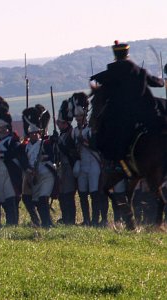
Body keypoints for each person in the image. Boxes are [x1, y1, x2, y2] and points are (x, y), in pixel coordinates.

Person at [90, 40, 165, 168]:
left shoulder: (110, 73)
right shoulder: (141, 72)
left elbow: (98, 82)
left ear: (115, 56)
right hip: (143, 114)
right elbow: (157, 83)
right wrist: (162, 80)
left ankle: (117, 164)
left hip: (120, 116)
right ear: (127, 54)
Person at [71, 96, 108, 227]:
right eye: (77, 117)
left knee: (94, 193)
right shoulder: (74, 131)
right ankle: (86, 219)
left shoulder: (90, 129)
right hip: (82, 164)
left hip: (93, 163)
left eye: (80, 117)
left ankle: (95, 219)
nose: (78, 119)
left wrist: (85, 142)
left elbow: (95, 146)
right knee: (82, 194)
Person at [0, 109, 25, 227]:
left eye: (5, 128)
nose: (3, 130)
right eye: (1, 129)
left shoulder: (13, 141)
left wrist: (2, 155)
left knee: (10, 198)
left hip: (9, 172)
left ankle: (12, 223)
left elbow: (14, 153)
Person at [24, 124, 56, 228]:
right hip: (35, 176)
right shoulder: (26, 146)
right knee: (37, 201)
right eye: (31, 133)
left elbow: (52, 156)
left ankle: (48, 224)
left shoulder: (45, 143)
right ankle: (45, 222)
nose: (34, 135)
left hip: (46, 173)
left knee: (43, 199)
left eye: (35, 133)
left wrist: (43, 157)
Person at [55, 98, 79, 225]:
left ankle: (71, 220)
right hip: (62, 168)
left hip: (69, 166)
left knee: (69, 195)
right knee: (62, 195)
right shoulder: (62, 134)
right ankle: (65, 218)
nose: (58, 124)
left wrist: (60, 145)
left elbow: (72, 151)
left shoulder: (71, 134)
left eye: (60, 122)